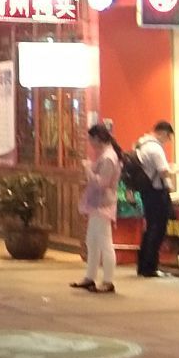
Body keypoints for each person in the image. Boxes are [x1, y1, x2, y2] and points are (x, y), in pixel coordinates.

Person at [72, 123, 121, 295]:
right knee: (92, 242)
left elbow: (102, 183)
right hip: (97, 204)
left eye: (91, 139)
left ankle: (108, 281)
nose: (90, 143)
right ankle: (90, 276)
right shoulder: (106, 156)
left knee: (104, 243)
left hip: (103, 205)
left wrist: (88, 169)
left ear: (98, 139)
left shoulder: (108, 158)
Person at [133, 120, 177, 279]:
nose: (167, 141)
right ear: (163, 133)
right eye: (168, 137)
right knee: (157, 229)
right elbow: (163, 171)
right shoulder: (155, 148)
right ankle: (150, 267)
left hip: (146, 190)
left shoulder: (141, 144)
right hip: (157, 192)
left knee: (149, 228)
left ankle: (142, 265)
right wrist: (175, 170)